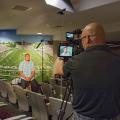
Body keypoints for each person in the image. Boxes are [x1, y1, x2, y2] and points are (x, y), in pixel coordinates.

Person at [57, 22, 120, 120]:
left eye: (82, 38)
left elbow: (58, 70)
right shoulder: (117, 60)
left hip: (82, 117)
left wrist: (60, 56)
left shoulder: (76, 60)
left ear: (88, 39)